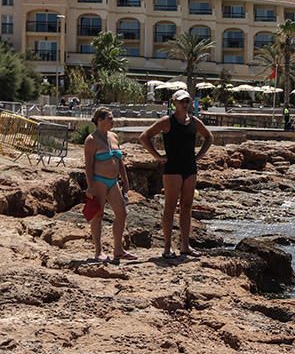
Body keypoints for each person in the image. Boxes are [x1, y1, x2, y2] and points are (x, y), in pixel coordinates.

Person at [139, 89, 214, 259]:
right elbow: (144, 136)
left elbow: (209, 137)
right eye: (181, 101)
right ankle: (167, 247)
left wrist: (199, 156)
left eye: (187, 101)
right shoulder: (167, 121)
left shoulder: (194, 121)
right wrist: (157, 156)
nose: (185, 104)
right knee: (170, 207)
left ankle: (185, 245)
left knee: (187, 207)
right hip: (172, 168)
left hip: (190, 168)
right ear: (174, 103)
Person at [83, 107, 135, 262]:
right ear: (100, 120)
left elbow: (119, 160)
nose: (113, 121)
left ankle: (118, 250)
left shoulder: (113, 137)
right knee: (98, 215)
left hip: (113, 181)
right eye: (110, 118)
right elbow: (88, 166)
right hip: (99, 180)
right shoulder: (91, 140)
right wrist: (90, 186)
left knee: (122, 213)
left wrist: (125, 180)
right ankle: (98, 251)